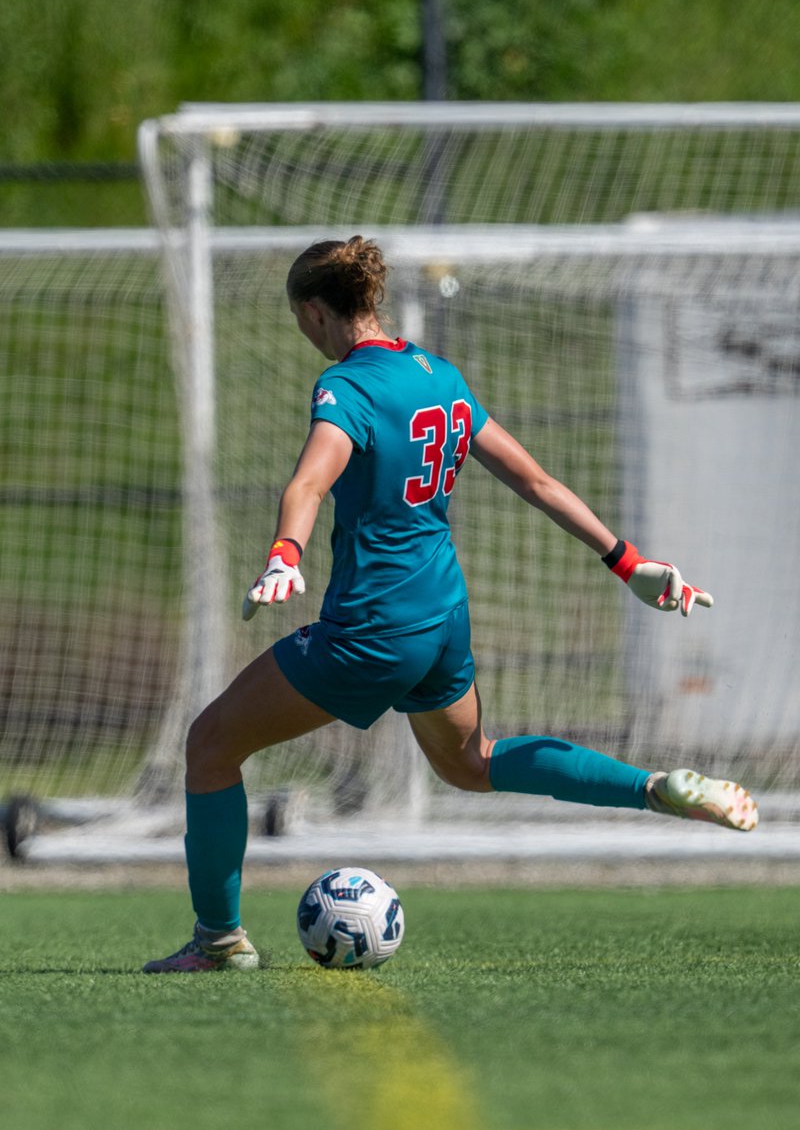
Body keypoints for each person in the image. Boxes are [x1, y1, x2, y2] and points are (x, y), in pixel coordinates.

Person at [144, 235, 758, 974]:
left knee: (211, 746)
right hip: (442, 617)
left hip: (373, 629)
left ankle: (218, 942)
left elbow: (308, 482)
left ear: (314, 312)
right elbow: (536, 480)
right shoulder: (440, 376)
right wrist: (628, 562)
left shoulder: (348, 388)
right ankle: (655, 787)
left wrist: (286, 554)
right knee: (471, 762)